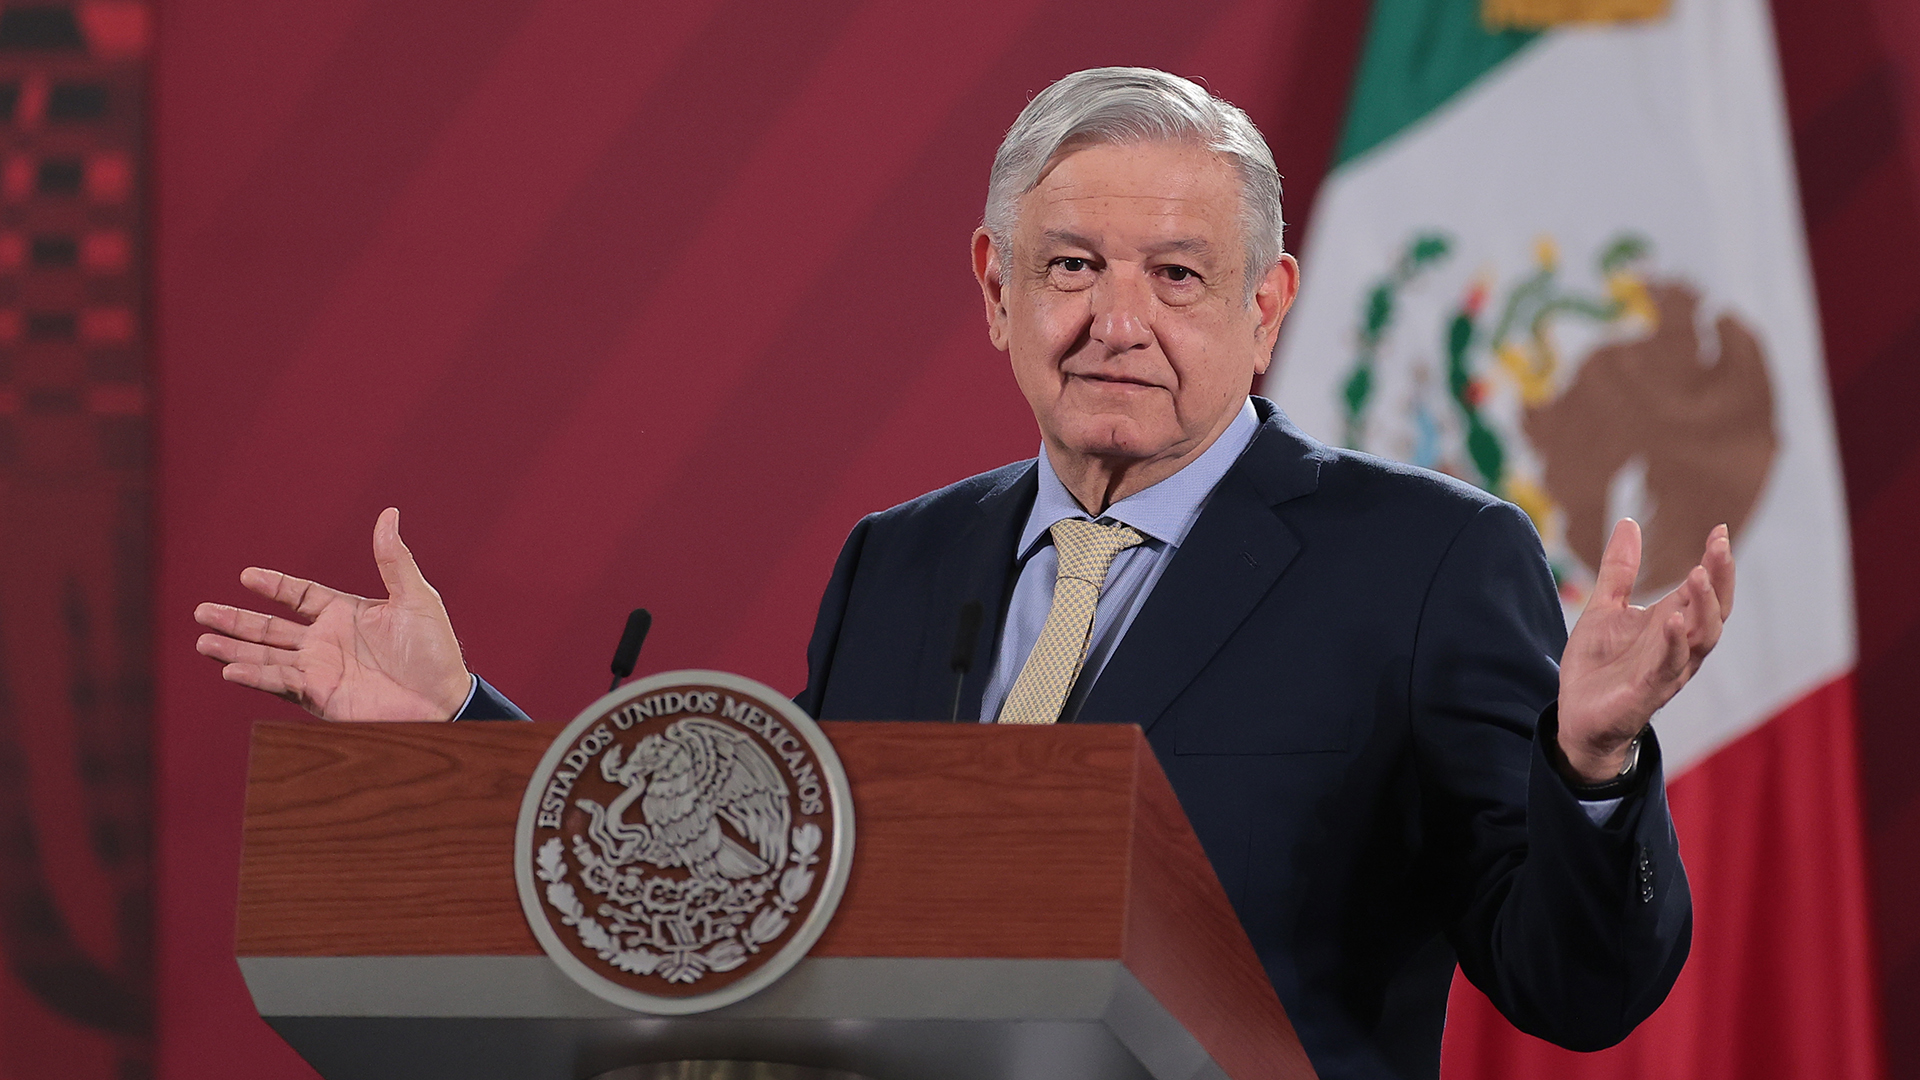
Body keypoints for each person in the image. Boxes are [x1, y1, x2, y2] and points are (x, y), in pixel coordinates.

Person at [195, 68, 1732, 1080]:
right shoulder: (901, 559)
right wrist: (465, 736)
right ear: (995, 289)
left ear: (1266, 309)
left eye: (1175, 276)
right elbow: (754, 906)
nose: (1114, 320)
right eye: (1070, 267)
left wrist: (1591, 763)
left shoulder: (1422, 559)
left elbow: (1574, 986)